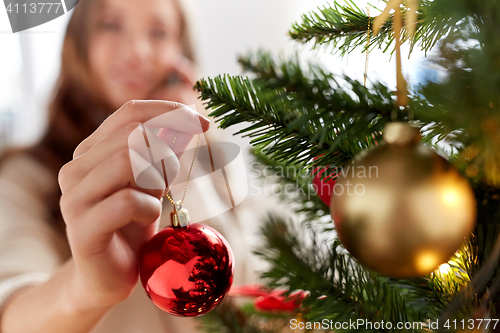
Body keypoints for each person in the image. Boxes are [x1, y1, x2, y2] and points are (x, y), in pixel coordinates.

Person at [0, 0, 265, 331]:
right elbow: (12, 315)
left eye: (158, 32)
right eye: (110, 25)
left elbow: (256, 291)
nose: (138, 51)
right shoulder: (26, 176)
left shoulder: (216, 156)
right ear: (78, 43)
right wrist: (89, 288)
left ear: (181, 56)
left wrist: (181, 152)